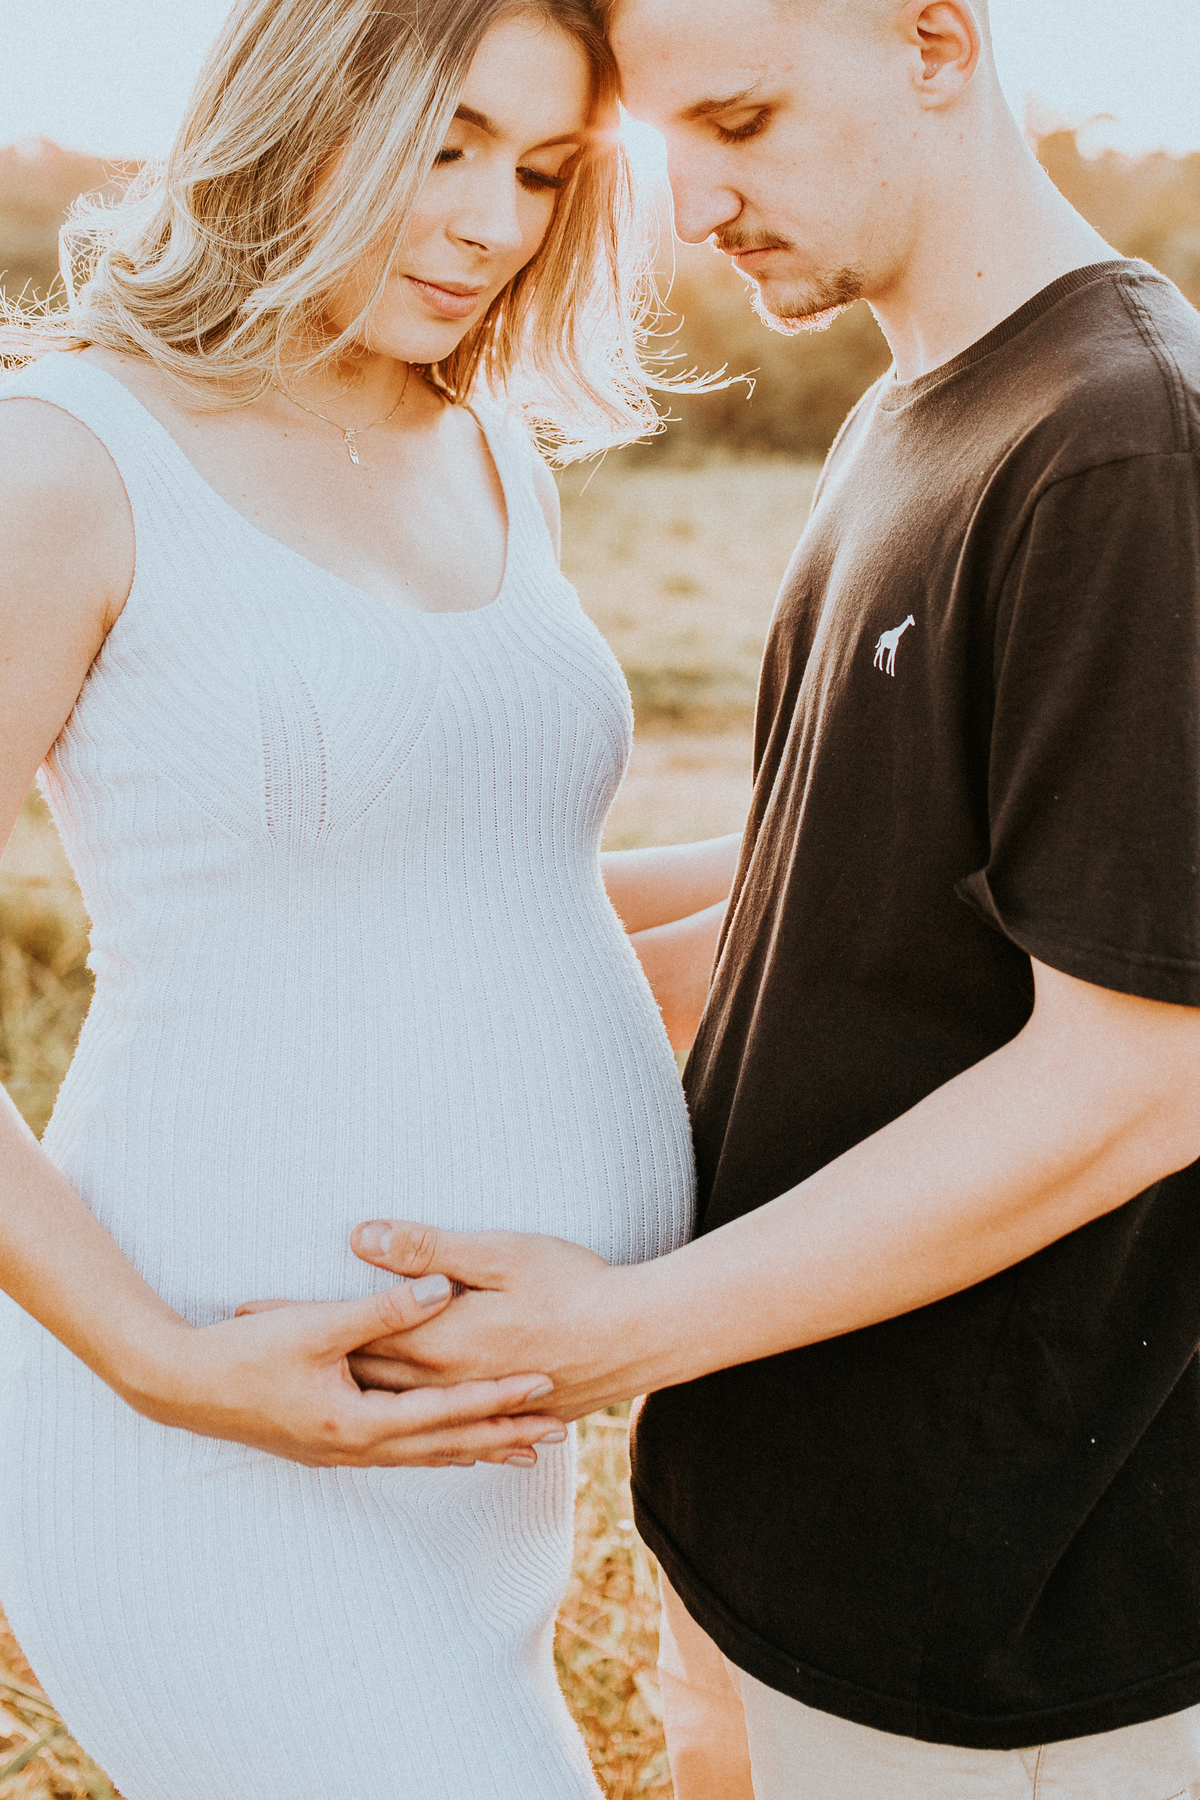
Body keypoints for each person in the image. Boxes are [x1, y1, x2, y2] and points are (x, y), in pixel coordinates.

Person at [332, 1, 1200, 1795]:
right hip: (777, 1519)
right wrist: (381, 934)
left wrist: (612, 1335)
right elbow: (848, 868)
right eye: (667, 147)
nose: (695, 204)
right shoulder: (919, 404)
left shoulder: (1127, 448)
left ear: (936, 40)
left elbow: (1142, 1076)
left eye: (740, 123)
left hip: (996, 1617)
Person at [0, 2, 733, 1794]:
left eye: (544, 172)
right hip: (213, 1445)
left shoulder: (487, 452)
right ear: (293, 110)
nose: (494, 222)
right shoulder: (70, 459)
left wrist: (923, 854)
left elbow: (488, 897)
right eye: (446, 144)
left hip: (476, 1475)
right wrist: (163, 1366)